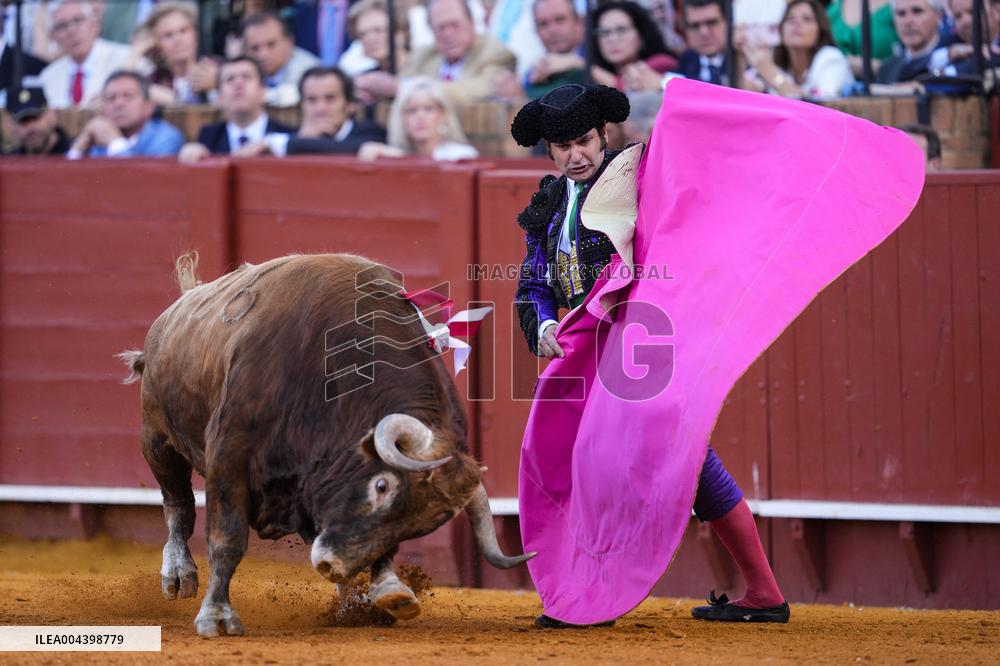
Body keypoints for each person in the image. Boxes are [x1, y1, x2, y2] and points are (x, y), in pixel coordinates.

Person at [510, 83, 789, 629]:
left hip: (643, 346)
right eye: (564, 146)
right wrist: (542, 321)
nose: (577, 155)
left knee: (663, 457)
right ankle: (757, 590)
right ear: (549, 152)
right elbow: (532, 284)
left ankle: (756, 589)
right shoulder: (546, 205)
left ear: (605, 135)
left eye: (585, 141)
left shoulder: (637, 181)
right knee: (631, 461)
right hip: (585, 360)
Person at [353, 0, 516, 105]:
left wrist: (402, 89)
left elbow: (480, 90)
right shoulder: (423, 55)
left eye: (454, 25)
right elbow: (399, 85)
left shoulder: (494, 52)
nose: (448, 34)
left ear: (472, 23)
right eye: (440, 28)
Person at [239, 65, 387, 156]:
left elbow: (346, 150)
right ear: (301, 105)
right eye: (311, 100)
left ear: (349, 105)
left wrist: (288, 142)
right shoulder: (295, 136)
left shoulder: (372, 132)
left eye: (330, 99)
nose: (320, 109)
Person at [177, 56, 295, 163]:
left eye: (246, 77)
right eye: (230, 79)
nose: (238, 83)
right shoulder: (208, 138)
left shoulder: (287, 135)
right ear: (219, 97)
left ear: (263, 91)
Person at [739, 0, 854, 99]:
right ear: (781, 30)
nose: (796, 22)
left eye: (807, 19)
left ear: (820, 30)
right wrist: (740, 54)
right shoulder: (777, 61)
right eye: (790, 18)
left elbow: (819, 107)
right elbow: (746, 90)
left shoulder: (831, 59)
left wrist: (771, 74)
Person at [66, 69, 184, 158]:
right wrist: (77, 150)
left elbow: (142, 183)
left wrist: (115, 142)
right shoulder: (97, 137)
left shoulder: (166, 137)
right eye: (111, 98)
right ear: (102, 110)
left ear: (149, 107)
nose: (119, 104)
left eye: (128, 96)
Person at [38, 0, 133, 108]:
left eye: (78, 20)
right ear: (53, 37)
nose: (71, 31)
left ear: (95, 24)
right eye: (62, 26)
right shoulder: (48, 77)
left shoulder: (126, 59)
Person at [358, 76, 477, 161]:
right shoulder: (394, 154)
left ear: (442, 115)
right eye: (412, 111)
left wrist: (401, 159)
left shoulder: (461, 155)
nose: (420, 117)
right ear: (402, 119)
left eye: (428, 109)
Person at [135, 1, 219, 105]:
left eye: (183, 31)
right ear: (156, 43)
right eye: (168, 35)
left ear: (196, 33)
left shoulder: (218, 69)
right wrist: (136, 51)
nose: (178, 39)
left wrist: (219, 84)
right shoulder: (153, 81)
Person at [588, 1, 677, 93]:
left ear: (641, 35)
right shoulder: (597, 75)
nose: (612, 39)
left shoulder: (662, 62)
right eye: (604, 32)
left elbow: (624, 88)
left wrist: (588, 67)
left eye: (621, 30)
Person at [242, 11, 320, 106]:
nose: (263, 54)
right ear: (245, 51)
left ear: (289, 42)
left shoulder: (312, 72)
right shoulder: (239, 72)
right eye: (255, 48)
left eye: (271, 45)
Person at [522, 0, 587, 99]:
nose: (552, 30)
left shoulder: (601, 55)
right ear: (536, 31)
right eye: (543, 24)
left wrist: (578, 63)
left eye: (560, 20)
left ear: (579, 22)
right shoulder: (534, 73)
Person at [876, 0, 943, 84]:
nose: (908, 21)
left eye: (917, 11)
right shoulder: (886, 69)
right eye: (901, 14)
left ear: (938, 16)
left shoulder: (956, 58)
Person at [827, 0, 898, 77]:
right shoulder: (833, 9)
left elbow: (909, 60)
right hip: (834, 85)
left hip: (887, 84)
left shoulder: (899, 6)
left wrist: (879, 68)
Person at [928, 0, 1000, 74]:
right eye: (957, 16)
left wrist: (949, 72)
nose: (965, 22)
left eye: (972, 12)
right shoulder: (953, 40)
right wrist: (954, 52)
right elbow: (931, 62)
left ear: (997, 11)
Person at [2, 86, 73, 155]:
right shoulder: (9, 161)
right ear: (12, 125)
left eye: (36, 118)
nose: (31, 128)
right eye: (23, 122)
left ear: (52, 116)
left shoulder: (78, 154)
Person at [673, 0, 731, 85]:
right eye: (695, 26)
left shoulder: (743, 61)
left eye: (711, 23)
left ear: (728, 23)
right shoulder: (687, 60)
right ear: (686, 31)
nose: (704, 32)